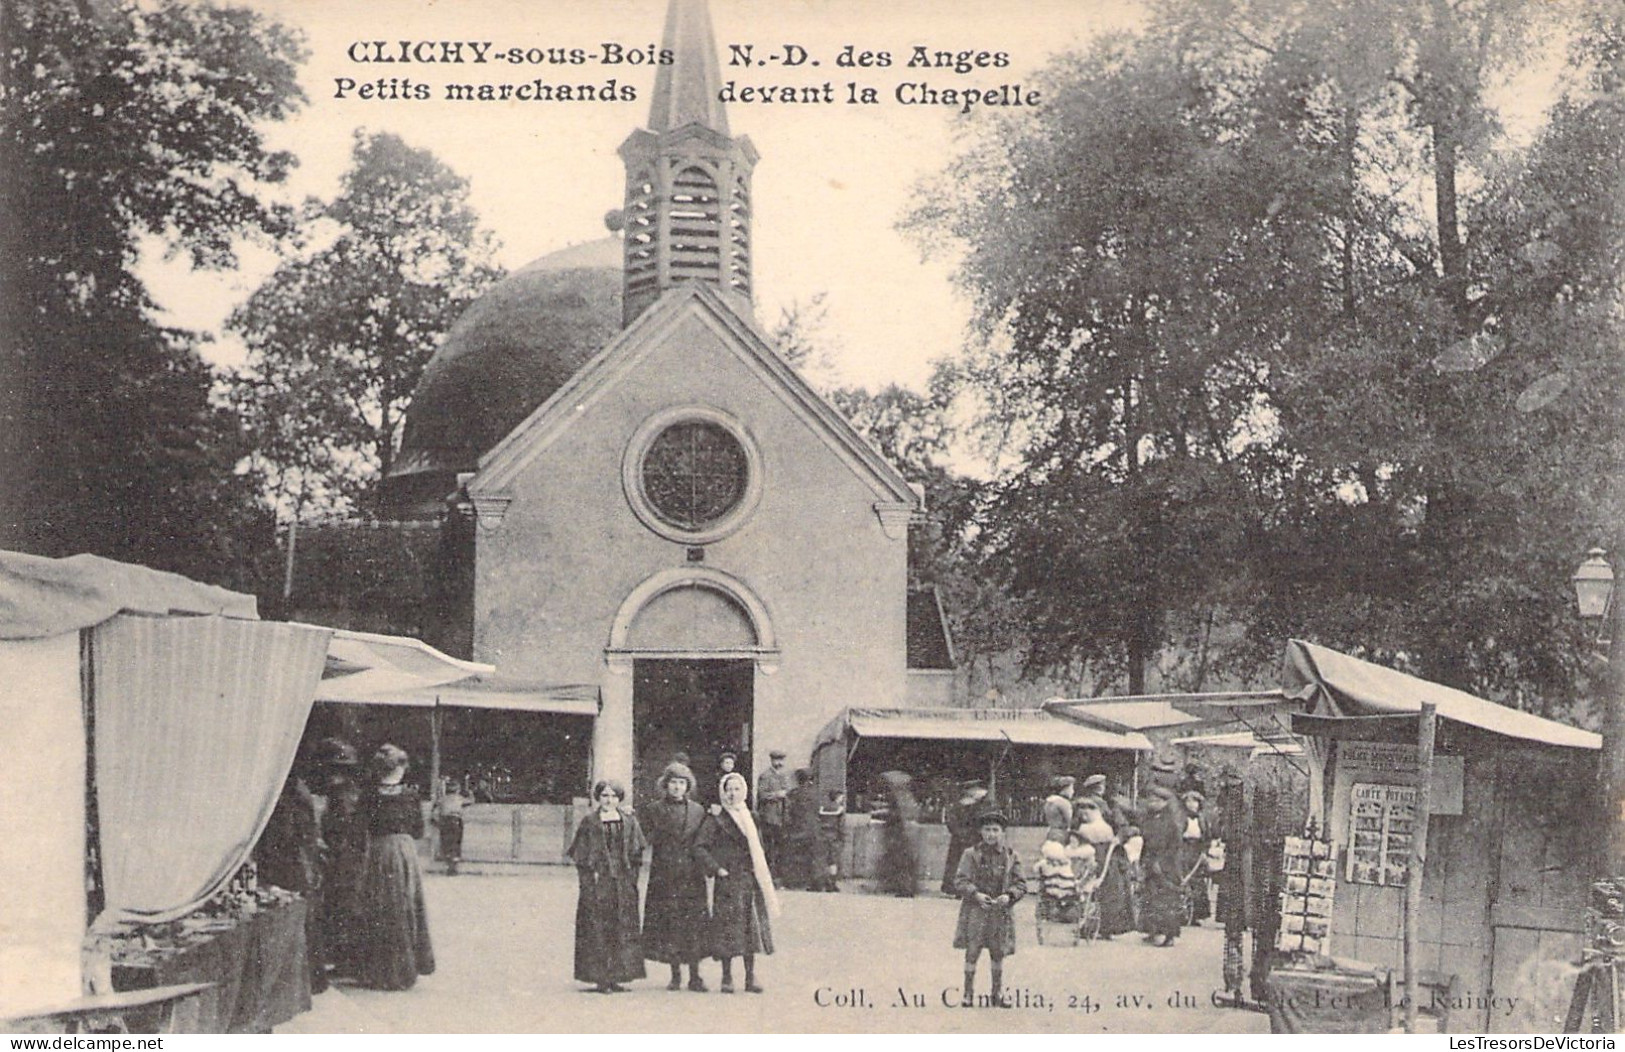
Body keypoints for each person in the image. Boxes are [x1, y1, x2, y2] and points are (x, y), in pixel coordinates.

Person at [355, 744, 436, 990]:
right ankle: (404, 970)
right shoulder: (410, 795)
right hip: (403, 852)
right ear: (398, 768)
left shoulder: (368, 795)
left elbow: (360, 827)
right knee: (405, 907)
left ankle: (377, 971)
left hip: (378, 852)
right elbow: (418, 830)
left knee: (379, 908)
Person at [695, 771, 779, 993]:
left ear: (744, 791)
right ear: (723, 792)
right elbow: (700, 847)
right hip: (728, 879)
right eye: (728, 789)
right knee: (727, 929)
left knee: (750, 929)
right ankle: (726, 977)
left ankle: (750, 978)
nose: (732, 793)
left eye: (736, 789)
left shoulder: (752, 817)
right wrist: (717, 868)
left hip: (749, 878)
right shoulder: (716, 818)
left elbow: (760, 847)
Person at [568, 779, 648, 993]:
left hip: (622, 883)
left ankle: (617, 976)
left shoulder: (629, 821)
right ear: (598, 798)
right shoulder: (590, 822)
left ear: (619, 799)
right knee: (598, 928)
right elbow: (580, 856)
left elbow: (637, 852)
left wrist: (631, 878)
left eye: (613, 796)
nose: (609, 800)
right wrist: (588, 884)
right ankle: (600, 978)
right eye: (605, 796)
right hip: (598, 882)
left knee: (620, 927)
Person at [641, 762, 710, 992]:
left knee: (693, 924)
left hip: (692, 875)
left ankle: (695, 976)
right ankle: (675, 975)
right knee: (670, 924)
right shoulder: (654, 810)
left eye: (682, 783)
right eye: (673, 782)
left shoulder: (699, 811)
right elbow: (644, 839)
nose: (677, 787)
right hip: (665, 875)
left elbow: (705, 842)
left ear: (688, 786)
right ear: (666, 784)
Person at [256, 765, 325, 992]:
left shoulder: (289, 792)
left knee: (292, 914)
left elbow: (290, 832)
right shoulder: (297, 789)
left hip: (291, 860)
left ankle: (302, 979)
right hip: (296, 858)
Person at [953, 811, 1026, 1008]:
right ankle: (968, 993)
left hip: (1000, 911)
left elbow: (1021, 884)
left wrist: (1009, 896)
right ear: (980, 831)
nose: (991, 834)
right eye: (987, 829)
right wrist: (975, 894)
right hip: (976, 910)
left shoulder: (1011, 856)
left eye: (996, 830)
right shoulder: (970, 854)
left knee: (997, 952)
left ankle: (997, 993)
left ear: (1003, 833)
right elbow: (960, 881)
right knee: (972, 950)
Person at [314, 738, 366, 980]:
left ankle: (345, 959)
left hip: (343, 856)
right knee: (344, 905)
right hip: (348, 854)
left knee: (341, 905)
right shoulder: (352, 790)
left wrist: (330, 847)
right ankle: (346, 958)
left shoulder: (340, 793)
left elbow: (341, 827)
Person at [1075, 795, 1134, 939]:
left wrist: (1118, 839)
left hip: (1106, 856)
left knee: (1110, 891)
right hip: (1091, 855)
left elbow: (1125, 829)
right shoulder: (1084, 825)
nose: (1085, 813)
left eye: (1089, 809)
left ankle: (1107, 926)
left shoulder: (1108, 821)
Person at [1137, 785, 1186, 947]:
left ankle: (1169, 936)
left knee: (1166, 901)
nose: (1152, 803)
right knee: (1150, 898)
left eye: (1157, 801)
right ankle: (1152, 931)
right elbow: (1146, 842)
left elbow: (1175, 846)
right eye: (1151, 800)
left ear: (1165, 803)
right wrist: (1143, 860)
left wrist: (1162, 863)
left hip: (1167, 866)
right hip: (1151, 861)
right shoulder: (1149, 820)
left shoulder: (1171, 822)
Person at [875, 770, 921, 897]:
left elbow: (896, 816)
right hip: (910, 833)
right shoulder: (909, 797)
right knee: (908, 860)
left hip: (902, 833)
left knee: (902, 861)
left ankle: (905, 889)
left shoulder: (899, 798)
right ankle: (908, 887)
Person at [941, 779, 988, 895]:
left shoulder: (960, 805)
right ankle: (955, 888)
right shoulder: (972, 806)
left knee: (958, 863)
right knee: (959, 863)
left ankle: (954, 887)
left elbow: (950, 821)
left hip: (963, 837)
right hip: (966, 837)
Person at [1178, 790, 1213, 925]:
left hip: (1197, 851)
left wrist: (1205, 851)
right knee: (1184, 880)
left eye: (1195, 802)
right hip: (1184, 850)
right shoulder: (1181, 818)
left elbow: (1207, 837)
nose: (1192, 805)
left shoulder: (1202, 819)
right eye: (1189, 801)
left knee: (1198, 882)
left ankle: (1196, 915)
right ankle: (1182, 913)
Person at [756, 750, 791, 880]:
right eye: (776, 760)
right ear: (772, 761)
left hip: (782, 817)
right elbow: (762, 795)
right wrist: (777, 794)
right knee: (769, 848)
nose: (779, 763)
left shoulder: (785, 776)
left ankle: (778, 876)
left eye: (781, 760)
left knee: (780, 848)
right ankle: (768, 876)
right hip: (769, 817)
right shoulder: (766, 776)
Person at [784, 767, 820, 890]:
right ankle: (814, 883)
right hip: (813, 828)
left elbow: (787, 812)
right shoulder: (816, 793)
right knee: (812, 856)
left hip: (797, 828)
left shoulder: (793, 794)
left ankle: (794, 882)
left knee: (794, 855)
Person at [433, 779, 467, 877]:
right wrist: (470, 793)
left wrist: (436, 820)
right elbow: (470, 801)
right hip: (456, 820)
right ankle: (454, 866)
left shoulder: (442, 799)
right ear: (457, 790)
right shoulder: (459, 798)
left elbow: (434, 809)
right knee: (456, 843)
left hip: (445, 821)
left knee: (446, 843)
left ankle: (449, 866)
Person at [815, 789, 846, 892]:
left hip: (822, 836)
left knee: (821, 859)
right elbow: (841, 826)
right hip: (834, 837)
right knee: (832, 861)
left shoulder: (823, 808)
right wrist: (842, 837)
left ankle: (819, 884)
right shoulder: (840, 809)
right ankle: (831, 884)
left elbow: (818, 821)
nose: (842, 799)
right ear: (837, 798)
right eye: (841, 797)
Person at [1042, 776, 1075, 844]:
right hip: (1062, 835)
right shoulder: (1064, 803)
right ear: (1065, 789)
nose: (1073, 791)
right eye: (1071, 788)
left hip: (1051, 833)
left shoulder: (1049, 801)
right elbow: (1071, 821)